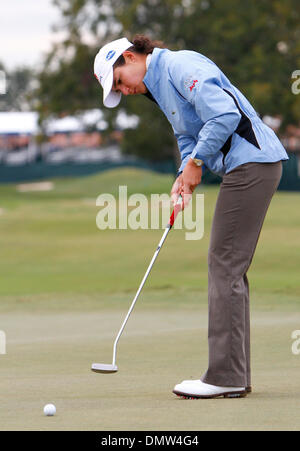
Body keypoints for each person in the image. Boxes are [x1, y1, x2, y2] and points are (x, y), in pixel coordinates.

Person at [93, 35, 288, 399]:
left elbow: (225, 115)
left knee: (224, 264)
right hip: (246, 167)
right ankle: (234, 375)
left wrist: (197, 162)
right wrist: (185, 174)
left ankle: (225, 376)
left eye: (120, 80)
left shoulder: (180, 65)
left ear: (131, 56)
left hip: (252, 164)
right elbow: (187, 136)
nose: (125, 90)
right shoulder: (160, 88)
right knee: (228, 267)